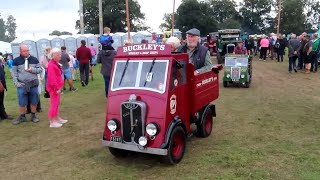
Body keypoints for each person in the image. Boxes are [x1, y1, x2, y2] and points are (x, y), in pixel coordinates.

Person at [12, 45, 43, 125]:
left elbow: (40, 70)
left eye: (27, 50)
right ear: (20, 51)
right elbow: (14, 73)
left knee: (34, 100)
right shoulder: (16, 60)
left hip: (33, 83)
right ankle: (22, 117)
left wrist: (32, 70)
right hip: (22, 84)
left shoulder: (34, 59)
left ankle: (33, 116)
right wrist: (16, 83)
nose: (26, 52)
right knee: (22, 101)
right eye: (24, 51)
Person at [46, 48, 68, 128]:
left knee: (56, 103)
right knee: (54, 104)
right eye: (58, 54)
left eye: (60, 54)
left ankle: (57, 118)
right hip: (54, 88)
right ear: (52, 55)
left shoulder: (55, 63)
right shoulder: (51, 65)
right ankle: (52, 121)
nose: (60, 56)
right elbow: (52, 79)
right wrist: (56, 88)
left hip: (57, 87)